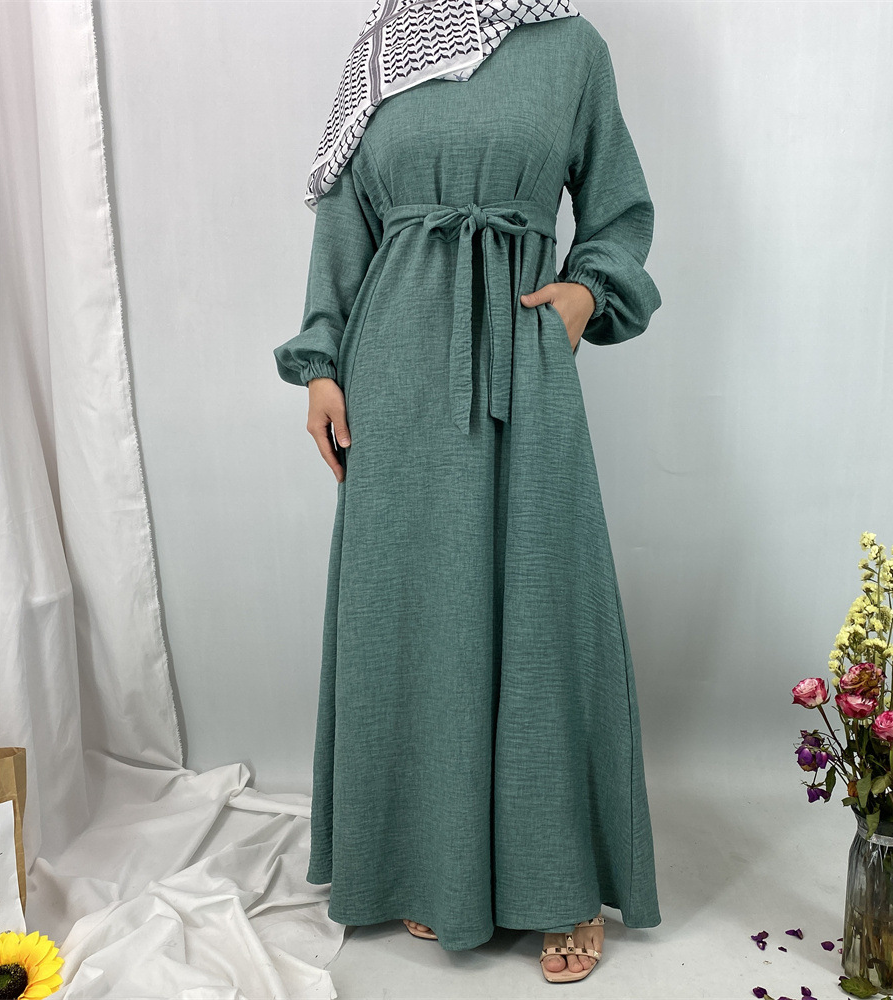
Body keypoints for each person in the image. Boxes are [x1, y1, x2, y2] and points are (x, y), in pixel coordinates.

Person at [273, 0, 663, 984]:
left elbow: (618, 206)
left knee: (543, 605)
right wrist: (322, 364)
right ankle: (428, 858)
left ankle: (557, 880)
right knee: (411, 612)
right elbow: (344, 224)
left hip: (522, 357)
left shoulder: (572, 49)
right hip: (394, 367)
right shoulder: (380, 51)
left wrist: (587, 290)